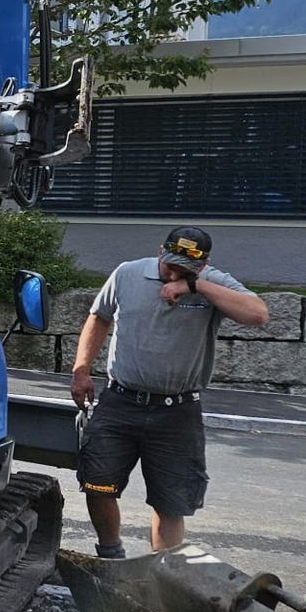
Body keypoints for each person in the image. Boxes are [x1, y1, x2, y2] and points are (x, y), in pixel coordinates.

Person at [69, 226, 269, 557]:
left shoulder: (211, 283)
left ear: (204, 264)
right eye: (170, 264)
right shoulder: (127, 273)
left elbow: (258, 314)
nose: (173, 273)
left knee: (171, 501)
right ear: (160, 250)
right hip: (120, 401)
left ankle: (162, 572)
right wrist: (81, 370)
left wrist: (196, 286)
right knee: (98, 484)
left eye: (185, 268)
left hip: (177, 412)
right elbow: (98, 318)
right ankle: (111, 555)